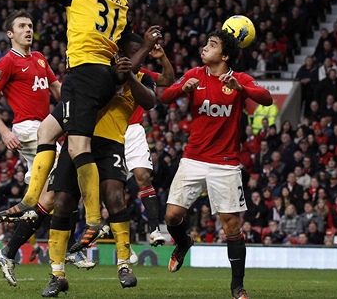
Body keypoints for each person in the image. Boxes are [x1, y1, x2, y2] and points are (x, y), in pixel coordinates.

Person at [0, 0, 161, 250]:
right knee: (47, 131)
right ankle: (30, 199)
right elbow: (129, 54)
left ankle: (94, 219)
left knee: (78, 148)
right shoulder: (122, 4)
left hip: (84, 74)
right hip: (102, 77)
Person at [0, 10, 94, 287]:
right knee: (69, 176)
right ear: (10, 34)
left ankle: (7, 252)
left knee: (50, 198)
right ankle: (70, 249)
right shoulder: (7, 62)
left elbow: (57, 90)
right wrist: (5, 131)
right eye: (21, 26)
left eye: (30, 25)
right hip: (29, 130)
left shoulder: (40, 58)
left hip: (48, 130)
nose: (28, 30)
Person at [160, 30, 273, 299]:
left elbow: (266, 98)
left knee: (231, 225)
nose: (204, 47)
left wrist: (240, 88)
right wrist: (180, 88)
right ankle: (184, 241)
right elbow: (163, 98)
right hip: (193, 157)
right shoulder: (195, 74)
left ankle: (237, 287)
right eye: (206, 43)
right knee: (172, 216)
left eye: (211, 45)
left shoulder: (239, 79)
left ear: (223, 55)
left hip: (225, 163)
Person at [42, 42, 156, 297]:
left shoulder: (144, 77)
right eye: (128, 48)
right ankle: (57, 274)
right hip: (79, 139)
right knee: (61, 202)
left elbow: (149, 102)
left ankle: (124, 264)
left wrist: (129, 77)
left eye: (137, 48)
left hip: (111, 143)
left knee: (114, 195)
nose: (130, 52)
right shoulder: (101, 70)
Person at [122, 33, 174, 246]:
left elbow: (169, 80)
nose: (140, 56)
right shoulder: (109, 71)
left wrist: (162, 57)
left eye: (141, 52)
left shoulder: (143, 74)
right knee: (112, 188)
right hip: (109, 131)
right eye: (135, 52)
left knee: (143, 176)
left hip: (133, 131)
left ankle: (154, 229)